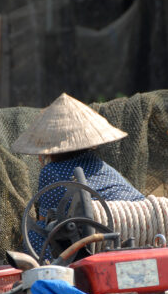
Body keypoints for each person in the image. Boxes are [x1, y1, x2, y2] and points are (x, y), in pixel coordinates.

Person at [11, 93, 144, 258]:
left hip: (97, 234)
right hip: (142, 222)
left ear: (48, 148)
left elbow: (45, 221)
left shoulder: (50, 171)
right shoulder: (101, 164)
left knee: (35, 235)